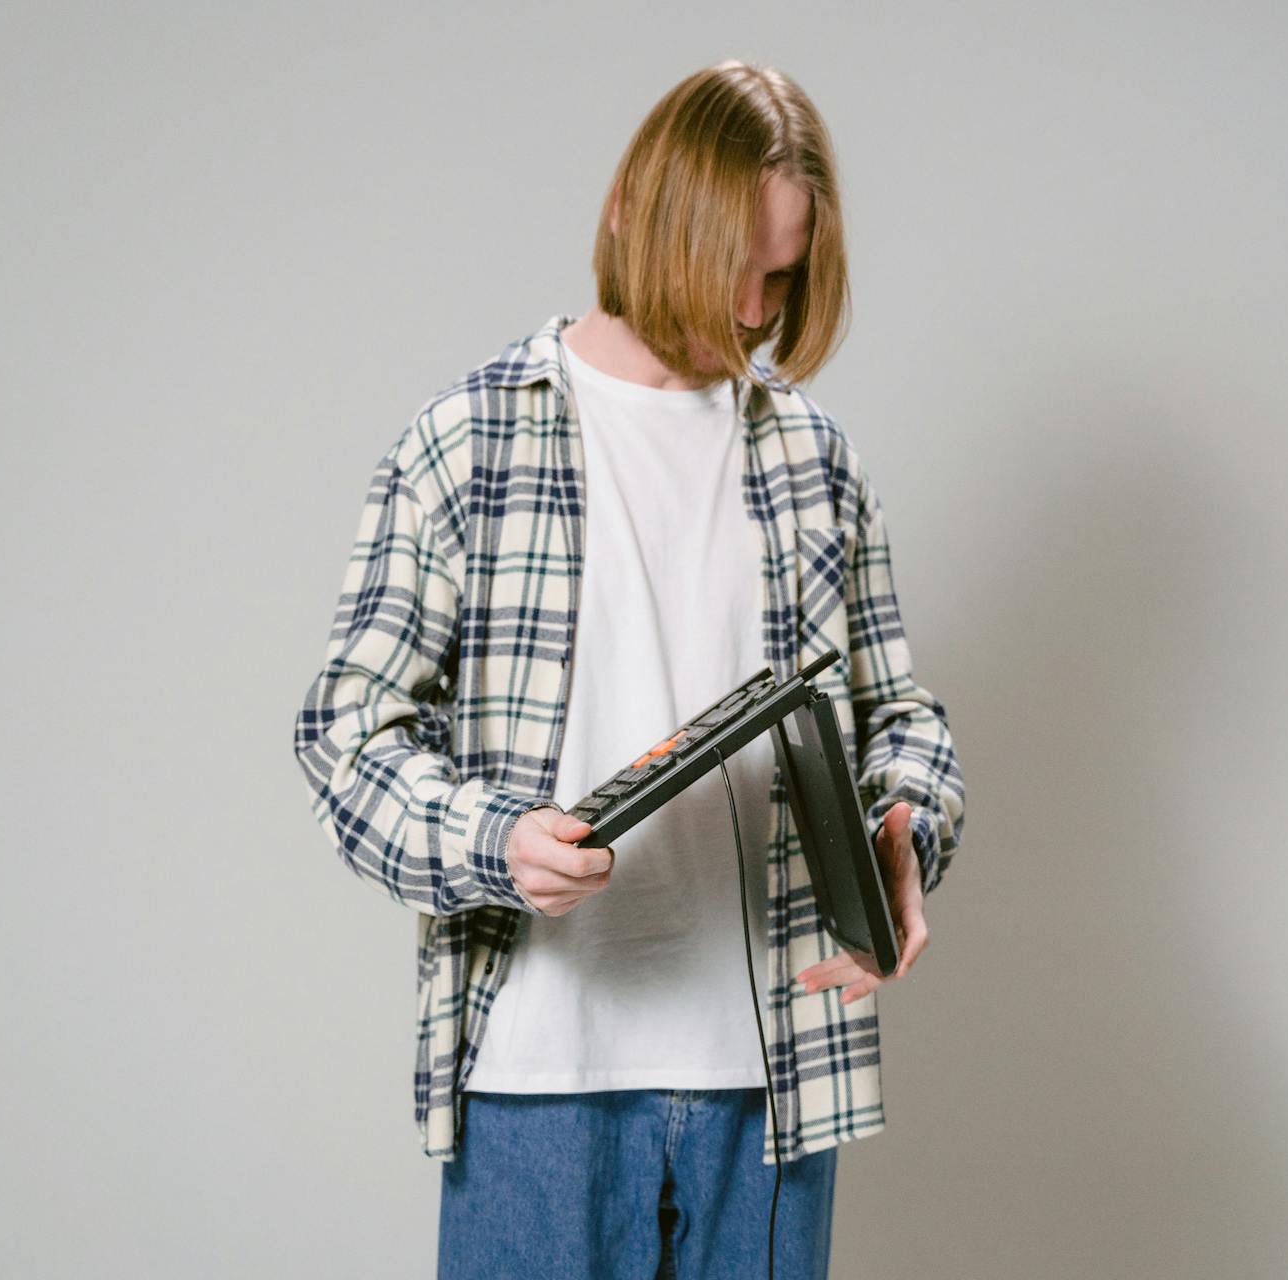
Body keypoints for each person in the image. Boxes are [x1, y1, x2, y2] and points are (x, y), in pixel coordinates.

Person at [291, 59, 965, 1279]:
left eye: (786, 275)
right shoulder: (467, 441)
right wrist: (496, 839)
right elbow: (347, 734)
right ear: (637, 217)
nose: (761, 312)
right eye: (741, 272)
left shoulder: (817, 461)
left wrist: (905, 828)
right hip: (536, 1077)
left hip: (773, 1087)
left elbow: (898, 714)